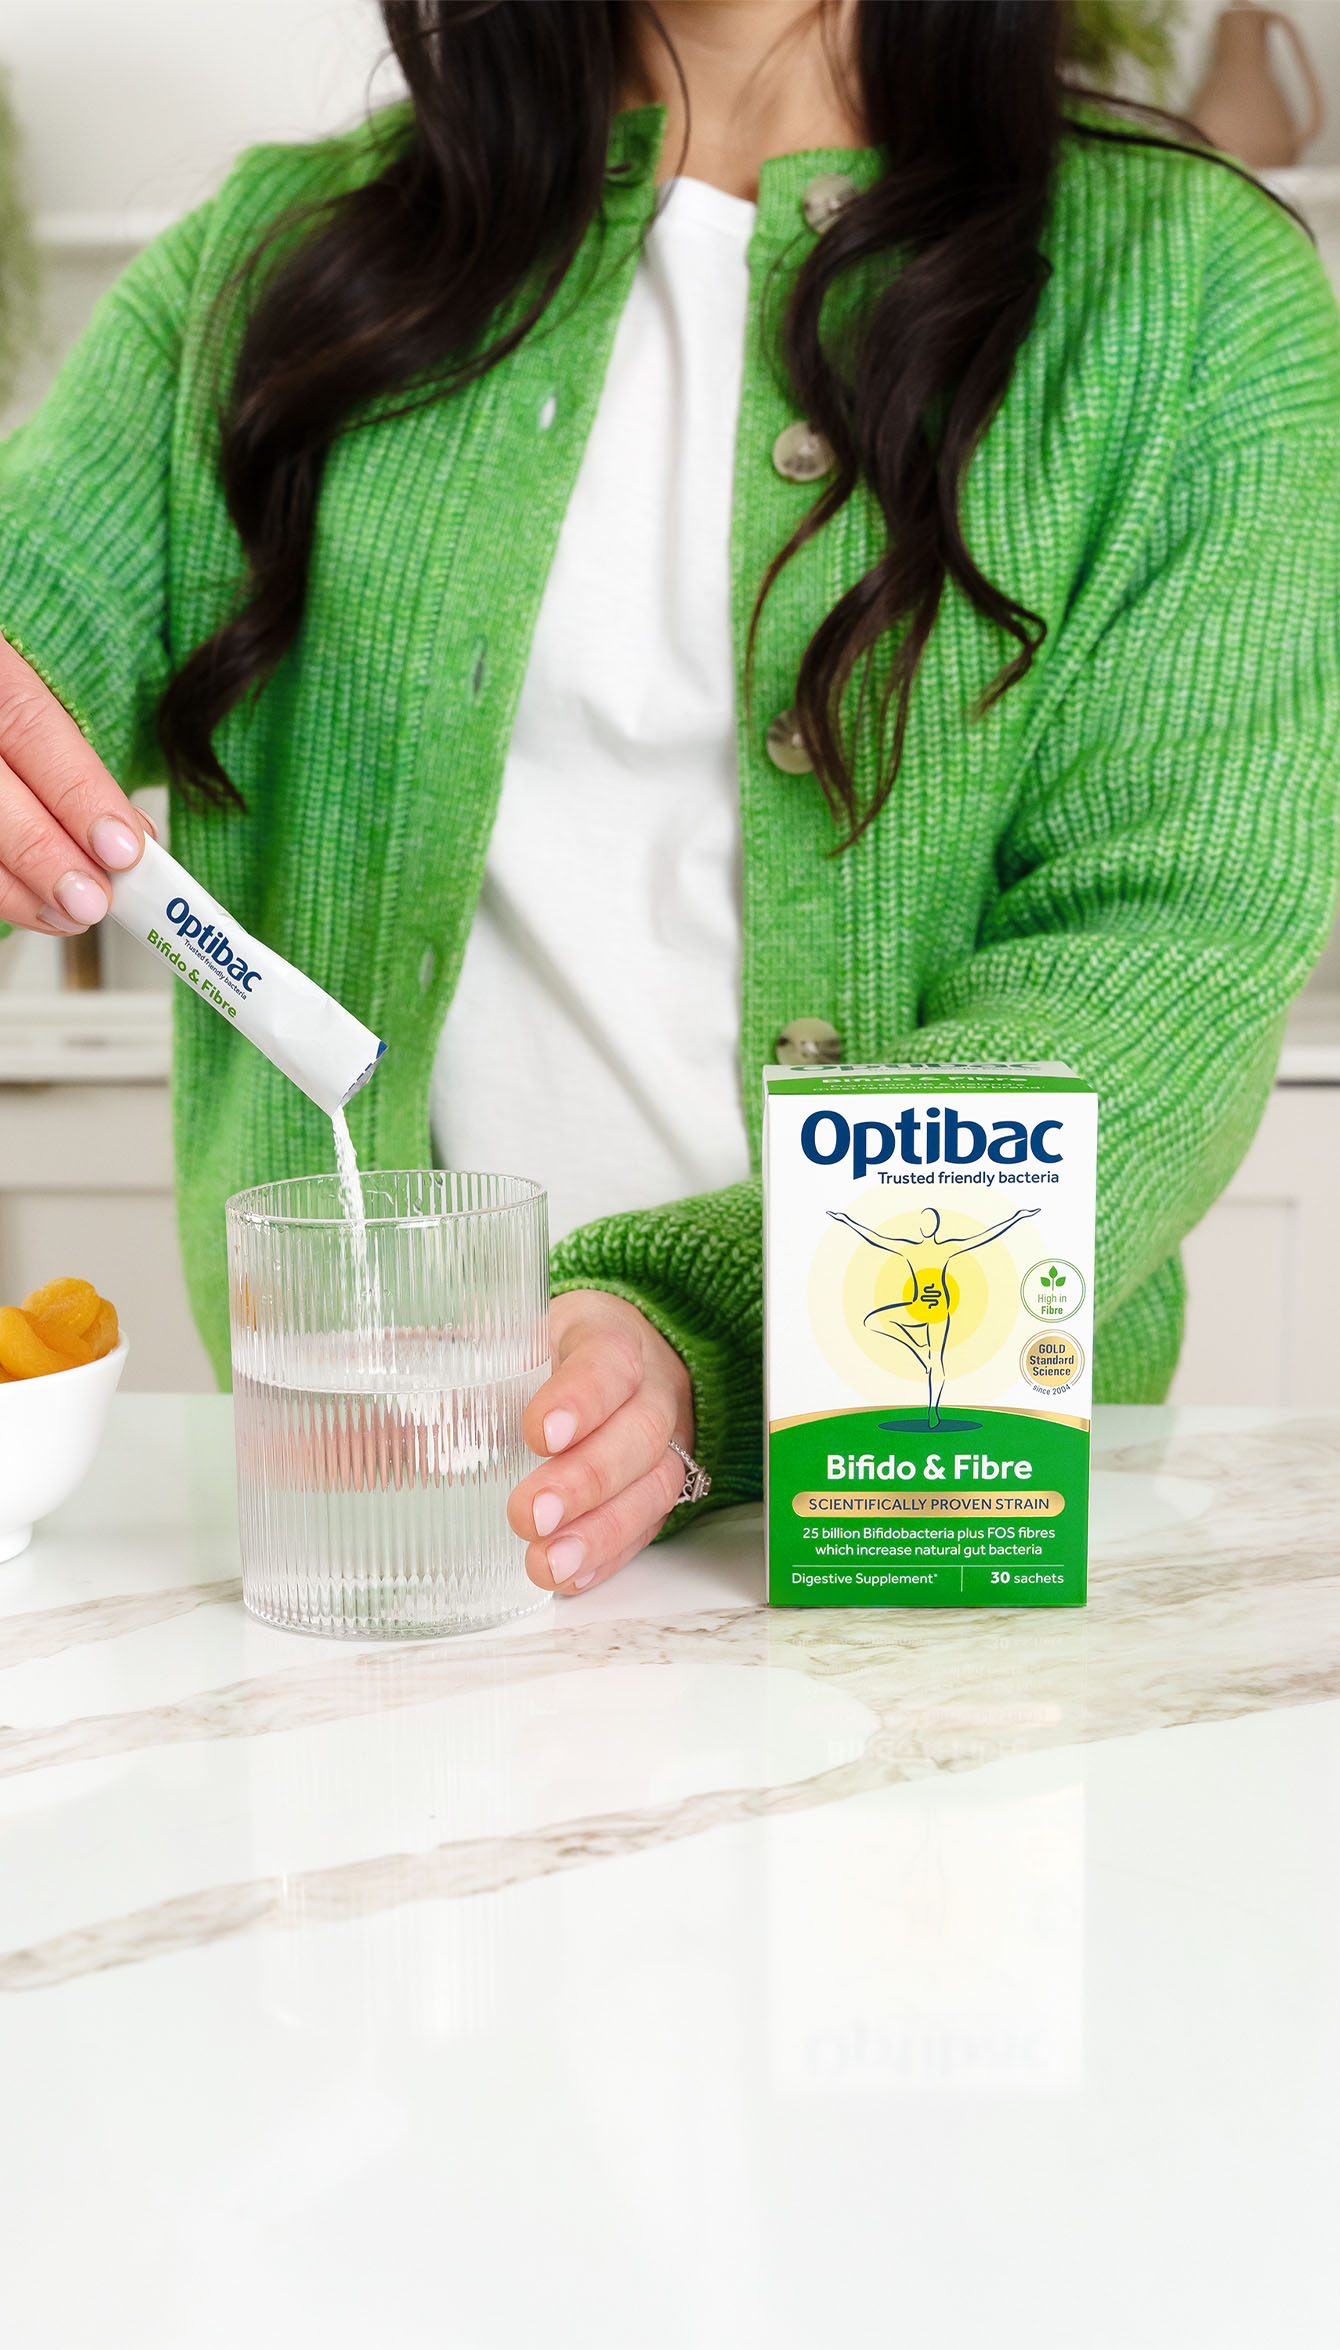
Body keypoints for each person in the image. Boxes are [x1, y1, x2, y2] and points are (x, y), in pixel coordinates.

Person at [0, 0, 1337, 1598]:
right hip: (392, 1530)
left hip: (950, 1525)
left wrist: (701, 1323)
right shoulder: (274, 272)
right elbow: (34, 634)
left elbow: (1164, 944)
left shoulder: (1195, 302)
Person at [829, 1204, 1040, 1428]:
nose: (926, 1226)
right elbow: (876, 1239)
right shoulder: (908, 1249)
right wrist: (846, 1220)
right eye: (923, 1222)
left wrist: (1017, 1217)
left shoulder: (947, 1249)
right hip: (915, 1307)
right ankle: (918, 1348)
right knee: (872, 1322)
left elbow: (984, 1237)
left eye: (930, 1222)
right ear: (919, 1227)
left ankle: (933, 1410)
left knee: (937, 1361)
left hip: (939, 1313)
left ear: (936, 1226)